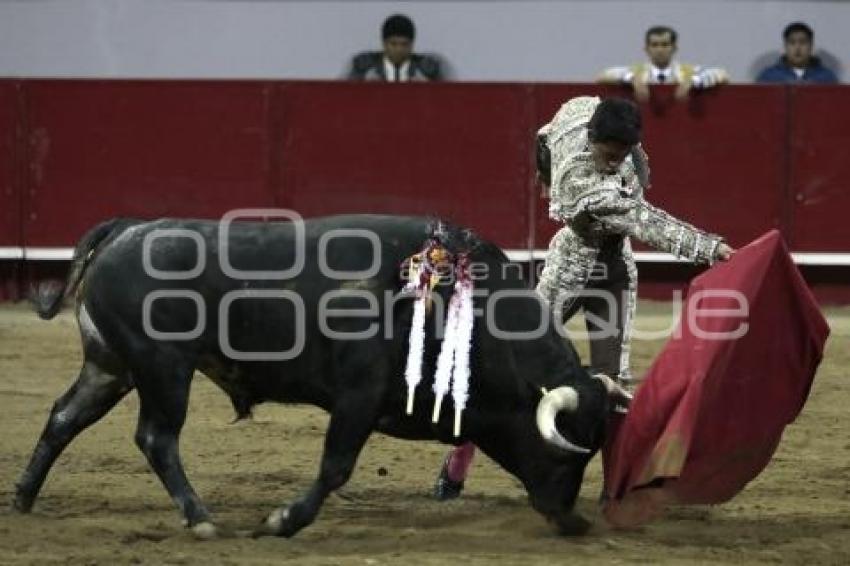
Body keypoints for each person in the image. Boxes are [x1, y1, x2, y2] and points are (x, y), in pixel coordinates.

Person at [434, 96, 734, 500]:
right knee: (506, 368)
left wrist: (552, 160)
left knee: (615, 385)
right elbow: (646, 221)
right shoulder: (578, 179)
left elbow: (551, 128)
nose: (615, 163)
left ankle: (617, 489)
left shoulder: (596, 123)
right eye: (609, 155)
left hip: (615, 274)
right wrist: (711, 249)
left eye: (623, 155)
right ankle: (456, 469)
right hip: (568, 270)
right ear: (592, 139)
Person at [598, 26, 729, 102]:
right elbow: (603, 76)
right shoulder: (636, 72)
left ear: (674, 48)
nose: (660, 49)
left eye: (665, 44)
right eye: (655, 45)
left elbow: (722, 75)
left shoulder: (688, 72)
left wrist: (693, 81)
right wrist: (633, 79)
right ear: (647, 49)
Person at [347, 14, 443, 82]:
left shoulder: (427, 69)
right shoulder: (363, 67)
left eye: (404, 44)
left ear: (412, 44)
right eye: (393, 44)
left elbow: (447, 99)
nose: (399, 50)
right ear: (384, 43)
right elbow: (345, 97)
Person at [756, 22, 838, 84]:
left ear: (811, 46)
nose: (797, 48)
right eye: (792, 43)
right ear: (785, 46)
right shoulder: (769, 76)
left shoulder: (826, 77)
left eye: (803, 42)